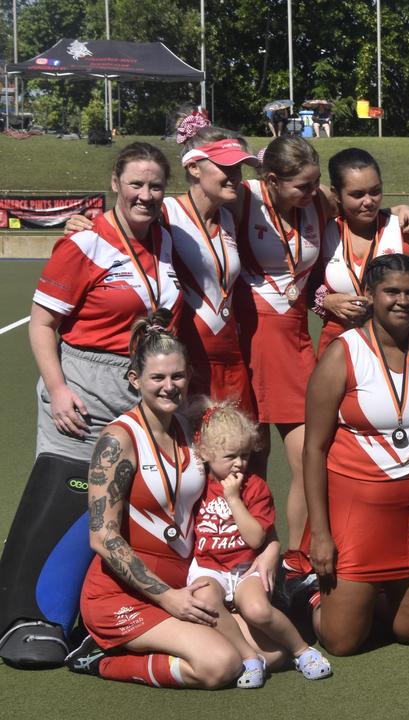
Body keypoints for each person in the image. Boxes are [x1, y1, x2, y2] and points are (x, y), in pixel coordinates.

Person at [0, 143, 184, 666]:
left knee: (124, 506)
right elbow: (42, 324)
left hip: (141, 391)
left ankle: (91, 612)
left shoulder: (167, 239)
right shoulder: (86, 244)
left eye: (154, 185)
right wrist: (58, 389)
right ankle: (29, 614)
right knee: (70, 498)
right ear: (115, 183)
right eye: (136, 184)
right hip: (84, 384)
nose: (146, 194)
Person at [66, 313, 271, 688]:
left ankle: (166, 641)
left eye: (176, 376)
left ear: (188, 376)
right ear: (135, 380)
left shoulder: (192, 430)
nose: (168, 386)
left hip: (190, 584)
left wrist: (267, 550)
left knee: (271, 652)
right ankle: (98, 657)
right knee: (220, 665)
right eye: (157, 377)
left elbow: (235, 494)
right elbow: (102, 537)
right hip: (125, 593)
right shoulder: (118, 440)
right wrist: (167, 598)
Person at [303, 253, 409, 655]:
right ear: (369, 294)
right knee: (342, 642)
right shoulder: (342, 353)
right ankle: (310, 596)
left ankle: (375, 598)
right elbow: (314, 449)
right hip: (359, 522)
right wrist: (320, 534)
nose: (403, 301)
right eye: (391, 292)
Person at [187, 401, 332, 686]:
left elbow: (255, 538)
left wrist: (233, 499)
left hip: (245, 565)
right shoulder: (197, 484)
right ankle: (249, 659)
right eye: (230, 456)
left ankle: (301, 650)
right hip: (210, 566)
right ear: (205, 453)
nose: (239, 463)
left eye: (244, 455)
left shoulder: (254, 487)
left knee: (256, 609)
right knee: (205, 600)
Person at [236, 135, 326, 555]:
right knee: (249, 463)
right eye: (302, 186)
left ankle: (297, 560)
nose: (311, 193)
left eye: (315, 183)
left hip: (295, 338)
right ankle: (247, 557)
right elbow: (178, 216)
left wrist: (402, 214)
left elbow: (364, 210)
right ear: (271, 180)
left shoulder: (317, 203)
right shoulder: (244, 198)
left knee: (310, 460)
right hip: (249, 337)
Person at [168, 126, 260, 411]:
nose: (235, 176)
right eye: (225, 167)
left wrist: (395, 213)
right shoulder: (166, 214)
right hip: (189, 361)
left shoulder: (229, 219)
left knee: (239, 450)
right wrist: (81, 223)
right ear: (194, 168)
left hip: (231, 357)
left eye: (238, 168)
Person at [314, 148, 409, 355]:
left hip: (391, 346)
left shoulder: (403, 229)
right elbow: (302, 288)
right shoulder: (322, 232)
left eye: (375, 191)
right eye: (357, 194)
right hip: (336, 345)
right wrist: (326, 301)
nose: (369, 201)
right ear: (337, 194)